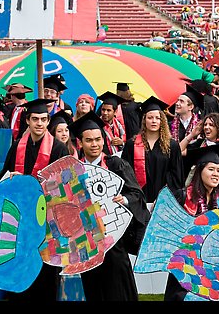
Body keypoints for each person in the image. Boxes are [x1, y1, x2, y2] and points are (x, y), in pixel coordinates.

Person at [0, 98, 70, 301]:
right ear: (28, 122)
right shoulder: (17, 147)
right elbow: (4, 176)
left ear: (48, 121)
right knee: (20, 269)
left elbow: (64, 188)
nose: (39, 123)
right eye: (35, 119)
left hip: (47, 223)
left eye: (43, 119)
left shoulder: (58, 149)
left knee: (45, 275)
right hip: (21, 224)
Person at [67, 111, 151, 301]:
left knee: (118, 290)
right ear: (80, 143)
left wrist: (124, 199)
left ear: (104, 141)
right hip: (87, 242)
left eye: (98, 139)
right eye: (89, 140)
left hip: (114, 241)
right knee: (93, 288)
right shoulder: (74, 171)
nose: (94, 144)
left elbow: (137, 194)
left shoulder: (115, 165)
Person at [164, 144, 219, 301]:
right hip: (184, 264)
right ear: (200, 171)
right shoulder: (182, 196)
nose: (216, 174)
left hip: (209, 264)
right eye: (211, 169)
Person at [121, 96, 184, 205]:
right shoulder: (132, 144)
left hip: (162, 202)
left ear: (162, 121)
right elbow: (126, 173)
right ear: (144, 119)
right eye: (150, 118)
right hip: (138, 201)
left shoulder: (171, 146)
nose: (154, 121)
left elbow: (176, 176)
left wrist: (164, 198)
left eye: (157, 118)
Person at [97, 91, 127, 156]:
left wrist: (121, 143)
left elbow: (124, 141)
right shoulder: (97, 125)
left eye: (108, 110)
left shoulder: (118, 125)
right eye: (103, 109)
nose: (105, 113)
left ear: (115, 112)